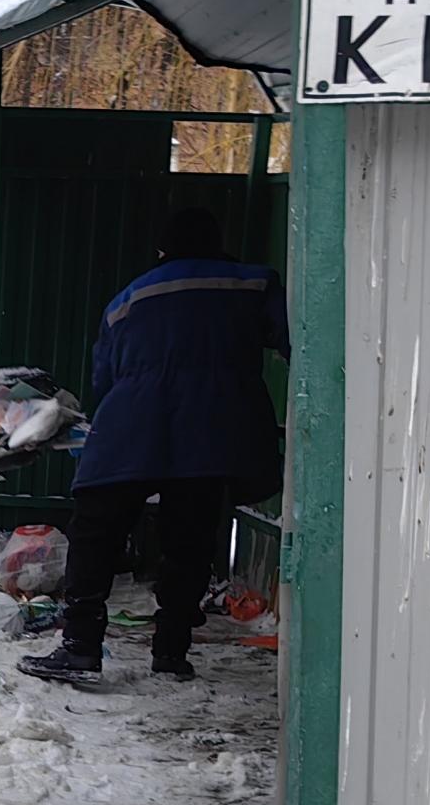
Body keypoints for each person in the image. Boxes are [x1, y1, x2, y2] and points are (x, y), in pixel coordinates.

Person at [19, 206, 288, 685]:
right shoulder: (254, 283)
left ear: (163, 251)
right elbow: (294, 340)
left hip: (130, 425)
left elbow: (105, 376)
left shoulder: (128, 298)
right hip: (210, 431)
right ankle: (171, 652)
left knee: (96, 533)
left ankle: (80, 645)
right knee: (190, 540)